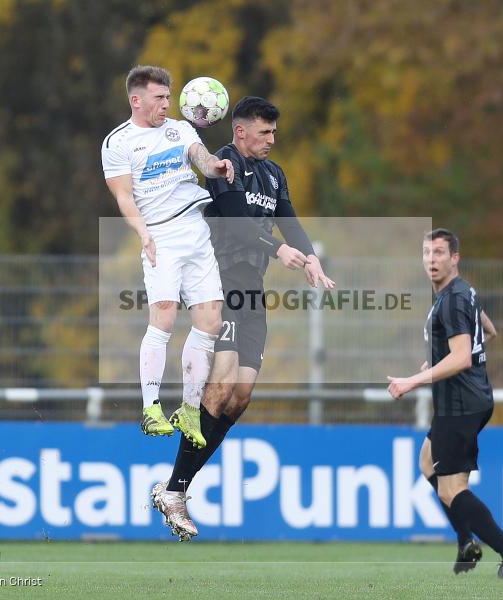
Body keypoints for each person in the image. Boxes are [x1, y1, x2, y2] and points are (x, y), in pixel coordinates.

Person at [151, 96, 335, 541]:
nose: (271, 139)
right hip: (218, 282)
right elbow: (234, 221)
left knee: (241, 396)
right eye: (264, 131)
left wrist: (311, 258)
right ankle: (176, 487)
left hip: (252, 290)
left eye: (274, 132)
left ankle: (174, 487)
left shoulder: (274, 176)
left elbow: (287, 219)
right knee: (224, 378)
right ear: (240, 131)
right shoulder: (224, 165)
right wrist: (278, 249)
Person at [101, 65, 234, 449]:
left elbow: (202, 158)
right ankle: (150, 407)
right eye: (159, 98)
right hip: (159, 234)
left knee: (210, 320)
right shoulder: (119, 142)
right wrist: (143, 233)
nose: (166, 104)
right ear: (136, 100)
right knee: (163, 316)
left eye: (169, 97)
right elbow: (124, 196)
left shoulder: (179, 128)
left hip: (196, 229)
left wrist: (216, 167)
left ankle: (189, 408)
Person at [387, 228, 503, 579]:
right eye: (427, 253)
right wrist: (439, 357)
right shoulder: (461, 291)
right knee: (427, 463)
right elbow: (487, 331)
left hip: (460, 402)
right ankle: (466, 542)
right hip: (470, 397)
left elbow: (463, 356)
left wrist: (412, 380)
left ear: (455, 258)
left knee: (453, 489)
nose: (431, 260)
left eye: (439, 253)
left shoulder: (450, 299)